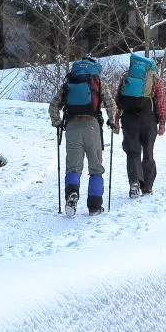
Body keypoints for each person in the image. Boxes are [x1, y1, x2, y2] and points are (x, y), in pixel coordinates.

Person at [49, 56, 118, 216]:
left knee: (73, 167)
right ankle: (94, 206)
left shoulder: (69, 82)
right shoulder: (98, 82)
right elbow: (110, 103)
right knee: (95, 168)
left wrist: (57, 122)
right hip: (92, 126)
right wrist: (112, 120)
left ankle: (72, 195)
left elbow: (53, 105)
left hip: (72, 127)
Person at [115, 53, 166, 198]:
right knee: (148, 151)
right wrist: (162, 122)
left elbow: (118, 99)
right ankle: (148, 186)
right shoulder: (156, 80)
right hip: (148, 119)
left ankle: (134, 181)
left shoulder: (126, 77)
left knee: (132, 151)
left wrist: (116, 120)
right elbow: (161, 102)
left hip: (129, 118)